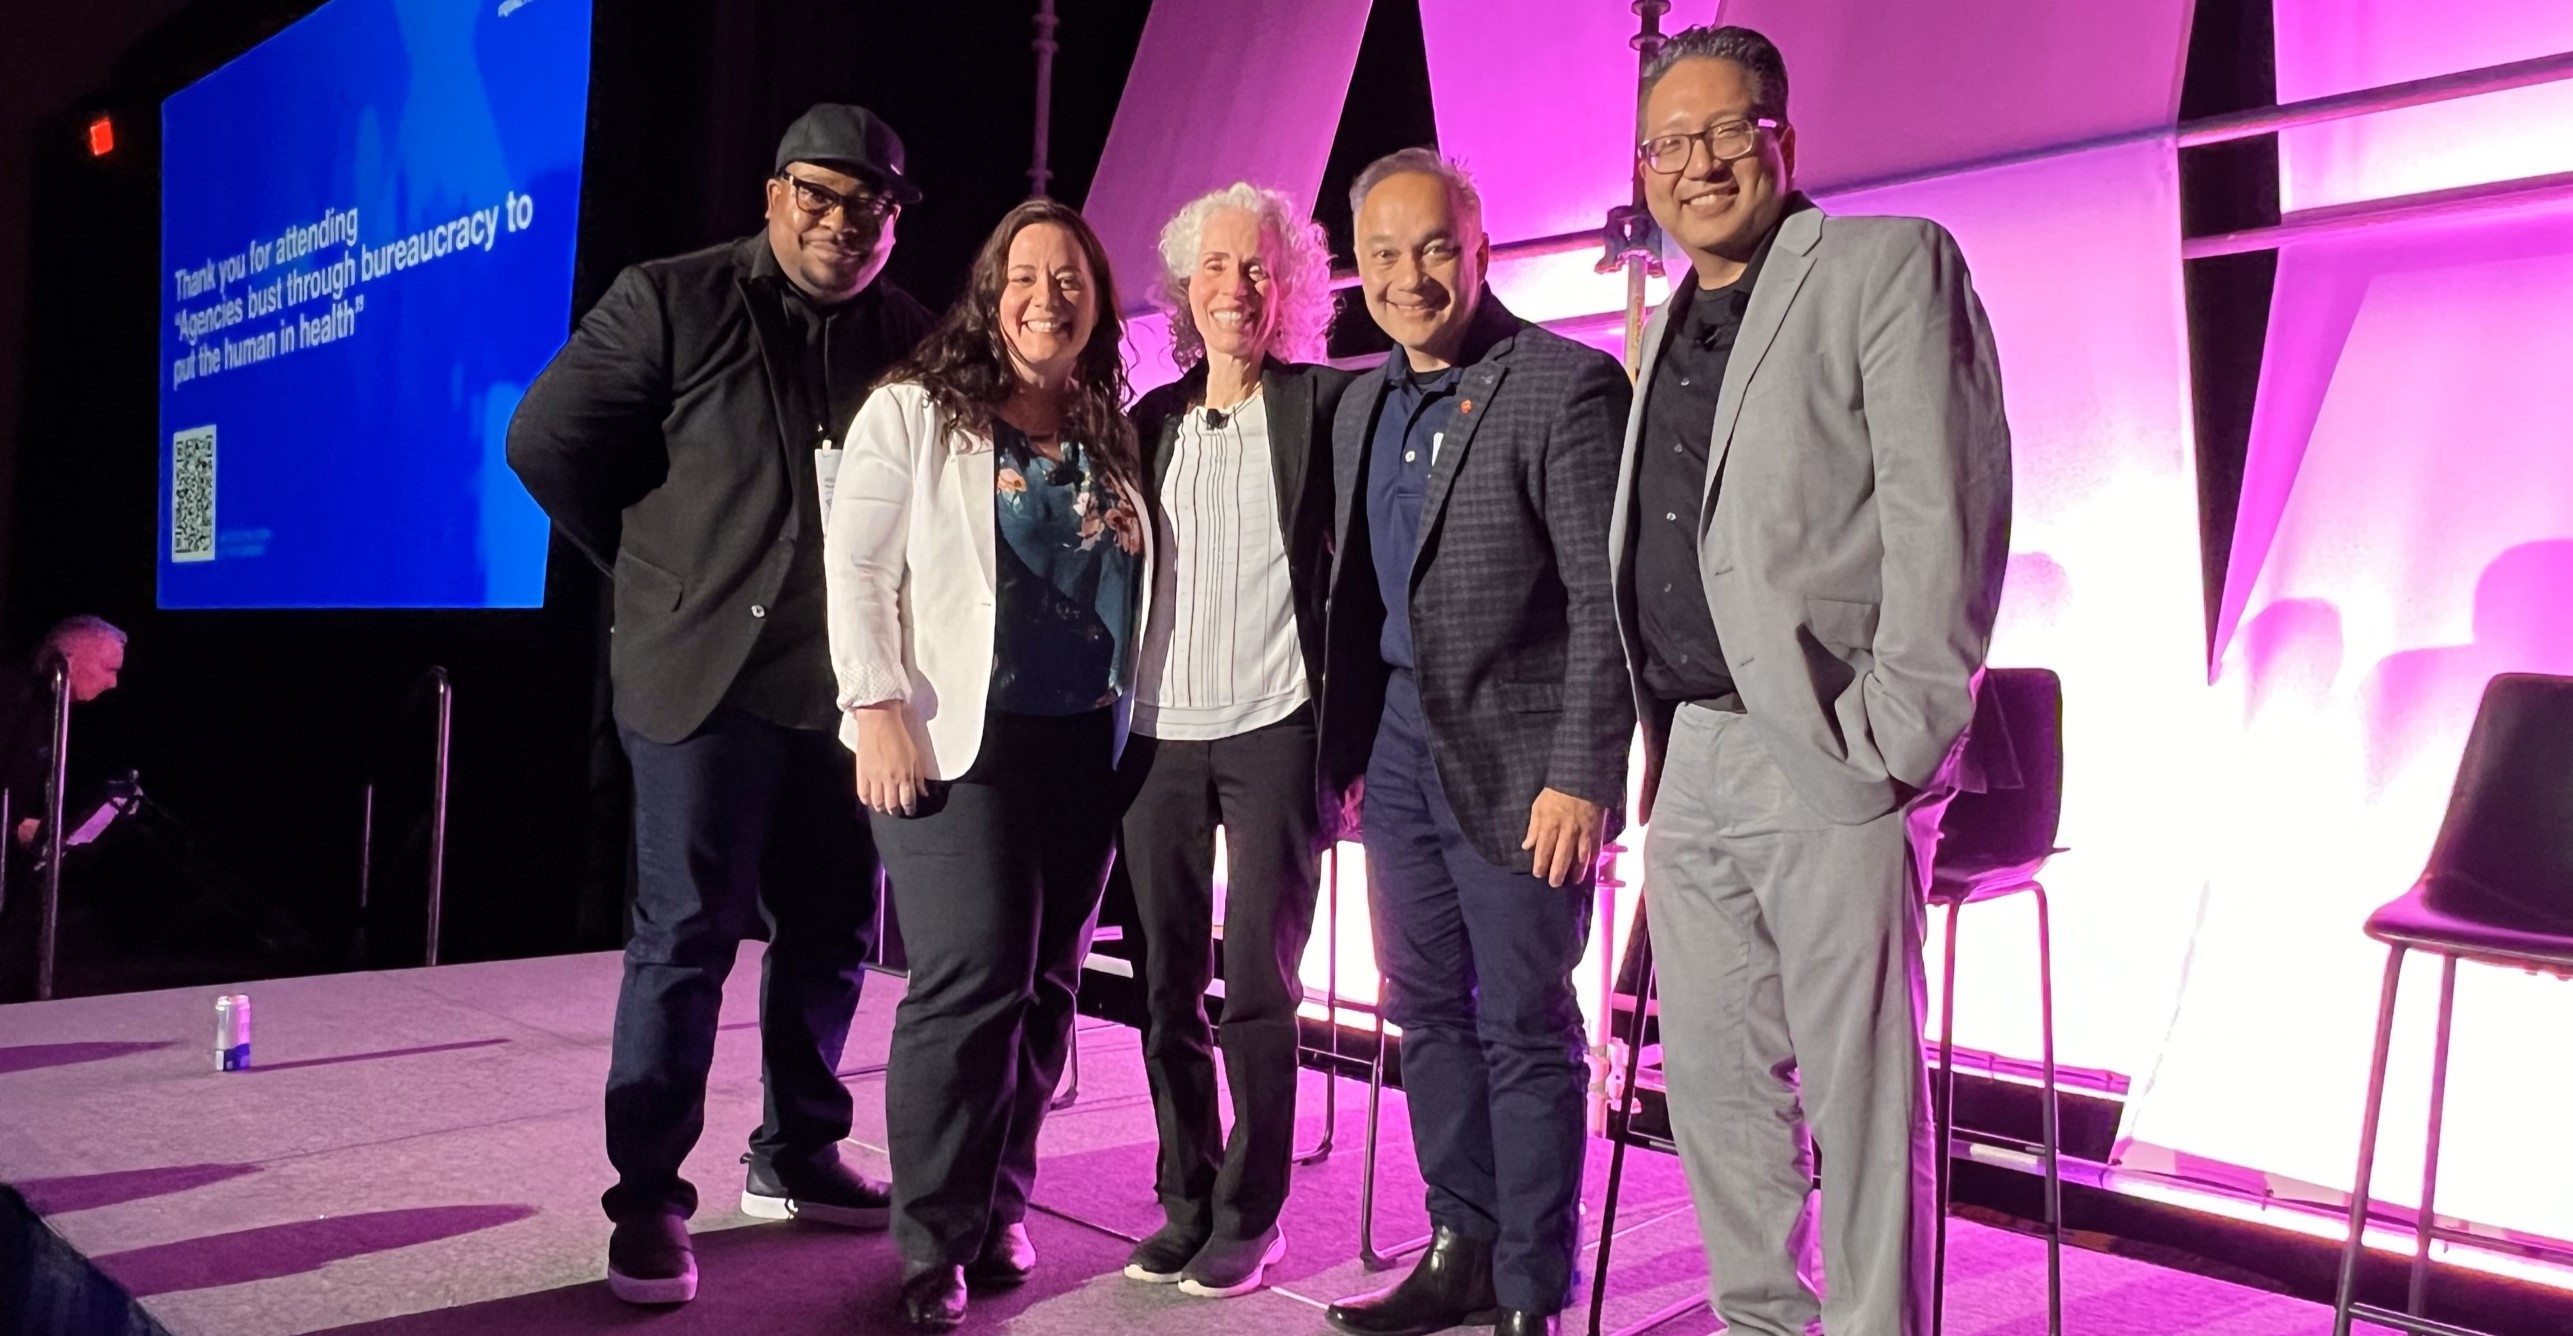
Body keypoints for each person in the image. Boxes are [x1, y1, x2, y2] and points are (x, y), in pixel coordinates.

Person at [1613, 26, 2012, 1336]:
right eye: (1669, 143)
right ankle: (1759, 1324)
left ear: (1782, 136)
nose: (1697, 164)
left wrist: (1895, 740)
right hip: (1695, 756)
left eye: (1726, 130)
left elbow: (1944, 516)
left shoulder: (1886, 267)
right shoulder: (1664, 316)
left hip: (1831, 745)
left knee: (1860, 1099)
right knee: (1719, 1093)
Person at [506, 104, 935, 1306]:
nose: (842, 222)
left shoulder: (909, 336)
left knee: (836, 926)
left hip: (842, 693)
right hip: (699, 680)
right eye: (819, 193)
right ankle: (646, 1197)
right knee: (685, 938)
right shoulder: (670, 297)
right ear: (771, 192)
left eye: (870, 206)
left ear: (893, 221)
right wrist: (654, 573)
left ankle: (796, 1148)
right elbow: (545, 443)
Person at [1318, 150, 1634, 1336]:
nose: (1410, 277)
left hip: (1522, 762)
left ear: (1480, 248)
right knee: (1423, 1010)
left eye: (1434, 248)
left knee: (1522, 1021)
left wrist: (1582, 775)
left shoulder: (1563, 386)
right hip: (1397, 751)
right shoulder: (1360, 401)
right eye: (1385, 255)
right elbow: (1353, 599)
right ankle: (1458, 1241)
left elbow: (1607, 610)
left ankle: (1526, 1290)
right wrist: (1348, 753)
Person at [825, 196, 1149, 1331]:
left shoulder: (1110, 424)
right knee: (971, 982)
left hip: (1086, 742)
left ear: (1098, 302)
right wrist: (872, 706)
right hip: (954, 745)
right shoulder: (914, 411)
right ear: (988, 290)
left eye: (1070, 278)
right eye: (1024, 274)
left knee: (1050, 984)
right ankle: (930, 1236)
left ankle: (1002, 1199)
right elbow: (856, 567)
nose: (1045, 295)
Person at [1113, 183, 1349, 1299]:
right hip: (1155, 734)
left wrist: (1347, 742)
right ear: (1182, 287)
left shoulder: (1322, 409)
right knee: (1165, 982)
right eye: (1213, 267)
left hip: (1274, 728)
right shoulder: (1146, 422)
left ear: (1286, 285)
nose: (1233, 287)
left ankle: (1253, 1213)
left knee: (1258, 981)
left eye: (1255, 268)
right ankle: (1186, 1194)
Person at [2, 616, 126, 852]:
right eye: (109, 669)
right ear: (70, 658)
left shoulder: (54, 710)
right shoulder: (14, 700)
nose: (113, 683)